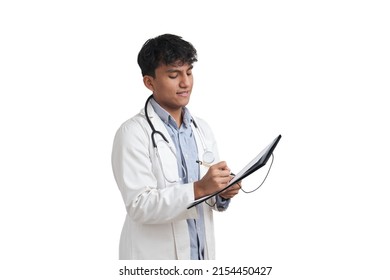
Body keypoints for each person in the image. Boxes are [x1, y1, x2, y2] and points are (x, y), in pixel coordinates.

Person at [111, 34, 241, 260]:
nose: (185, 83)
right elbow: (139, 205)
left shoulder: (201, 129)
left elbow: (208, 197)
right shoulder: (132, 133)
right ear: (149, 82)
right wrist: (199, 188)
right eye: (174, 75)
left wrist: (222, 191)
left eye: (189, 72)